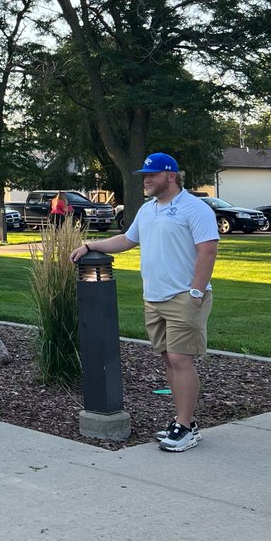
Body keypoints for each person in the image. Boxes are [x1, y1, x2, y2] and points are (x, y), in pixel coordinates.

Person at [70, 152, 219, 452]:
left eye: (152, 175)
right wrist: (90, 245)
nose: (146, 180)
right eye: (144, 176)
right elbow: (127, 239)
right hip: (153, 298)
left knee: (180, 359)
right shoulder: (148, 210)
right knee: (169, 359)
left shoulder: (194, 208)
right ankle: (183, 422)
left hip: (184, 296)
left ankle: (186, 426)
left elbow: (207, 251)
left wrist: (196, 292)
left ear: (171, 176)